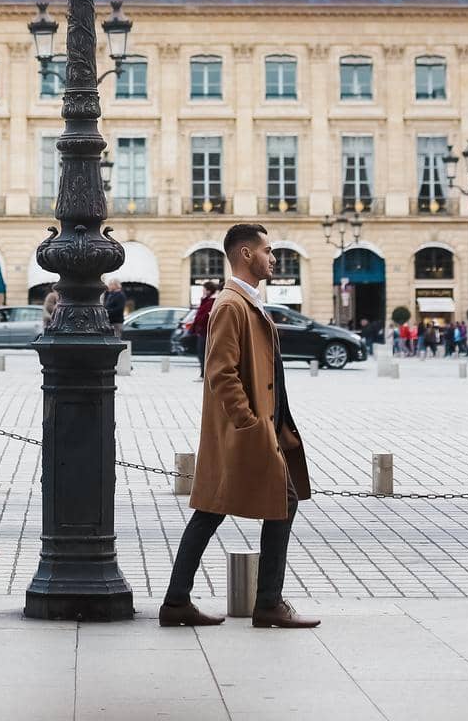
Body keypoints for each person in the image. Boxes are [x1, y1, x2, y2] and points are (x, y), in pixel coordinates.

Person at [160, 223, 319, 631]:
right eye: (267, 250)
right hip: (248, 431)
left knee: (214, 509)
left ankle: (178, 600)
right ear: (245, 255)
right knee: (276, 502)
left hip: (262, 426)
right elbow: (221, 371)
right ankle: (267, 603)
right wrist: (248, 423)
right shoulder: (231, 304)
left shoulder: (245, 302)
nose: (273, 258)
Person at [192, 281, 217, 377]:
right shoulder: (206, 300)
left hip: (206, 332)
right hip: (202, 331)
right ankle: (203, 373)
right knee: (201, 354)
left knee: (203, 354)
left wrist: (199, 321)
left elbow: (204, 316)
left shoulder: (211, 302)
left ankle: (205, 374)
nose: (202, 291)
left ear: (209, 291)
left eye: (204, 289)